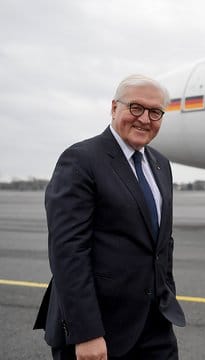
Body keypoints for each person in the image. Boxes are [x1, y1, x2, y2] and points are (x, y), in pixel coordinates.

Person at [33, 74, 186, 359]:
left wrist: (167, 298)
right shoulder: (81, 159)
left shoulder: (161, 165)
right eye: (136, 108)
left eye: (155, 112)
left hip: (154, 326)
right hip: (100, 329)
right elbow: (68, 252)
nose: (145, 119)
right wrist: (87, 333)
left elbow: (163, 243)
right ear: (114, 108)